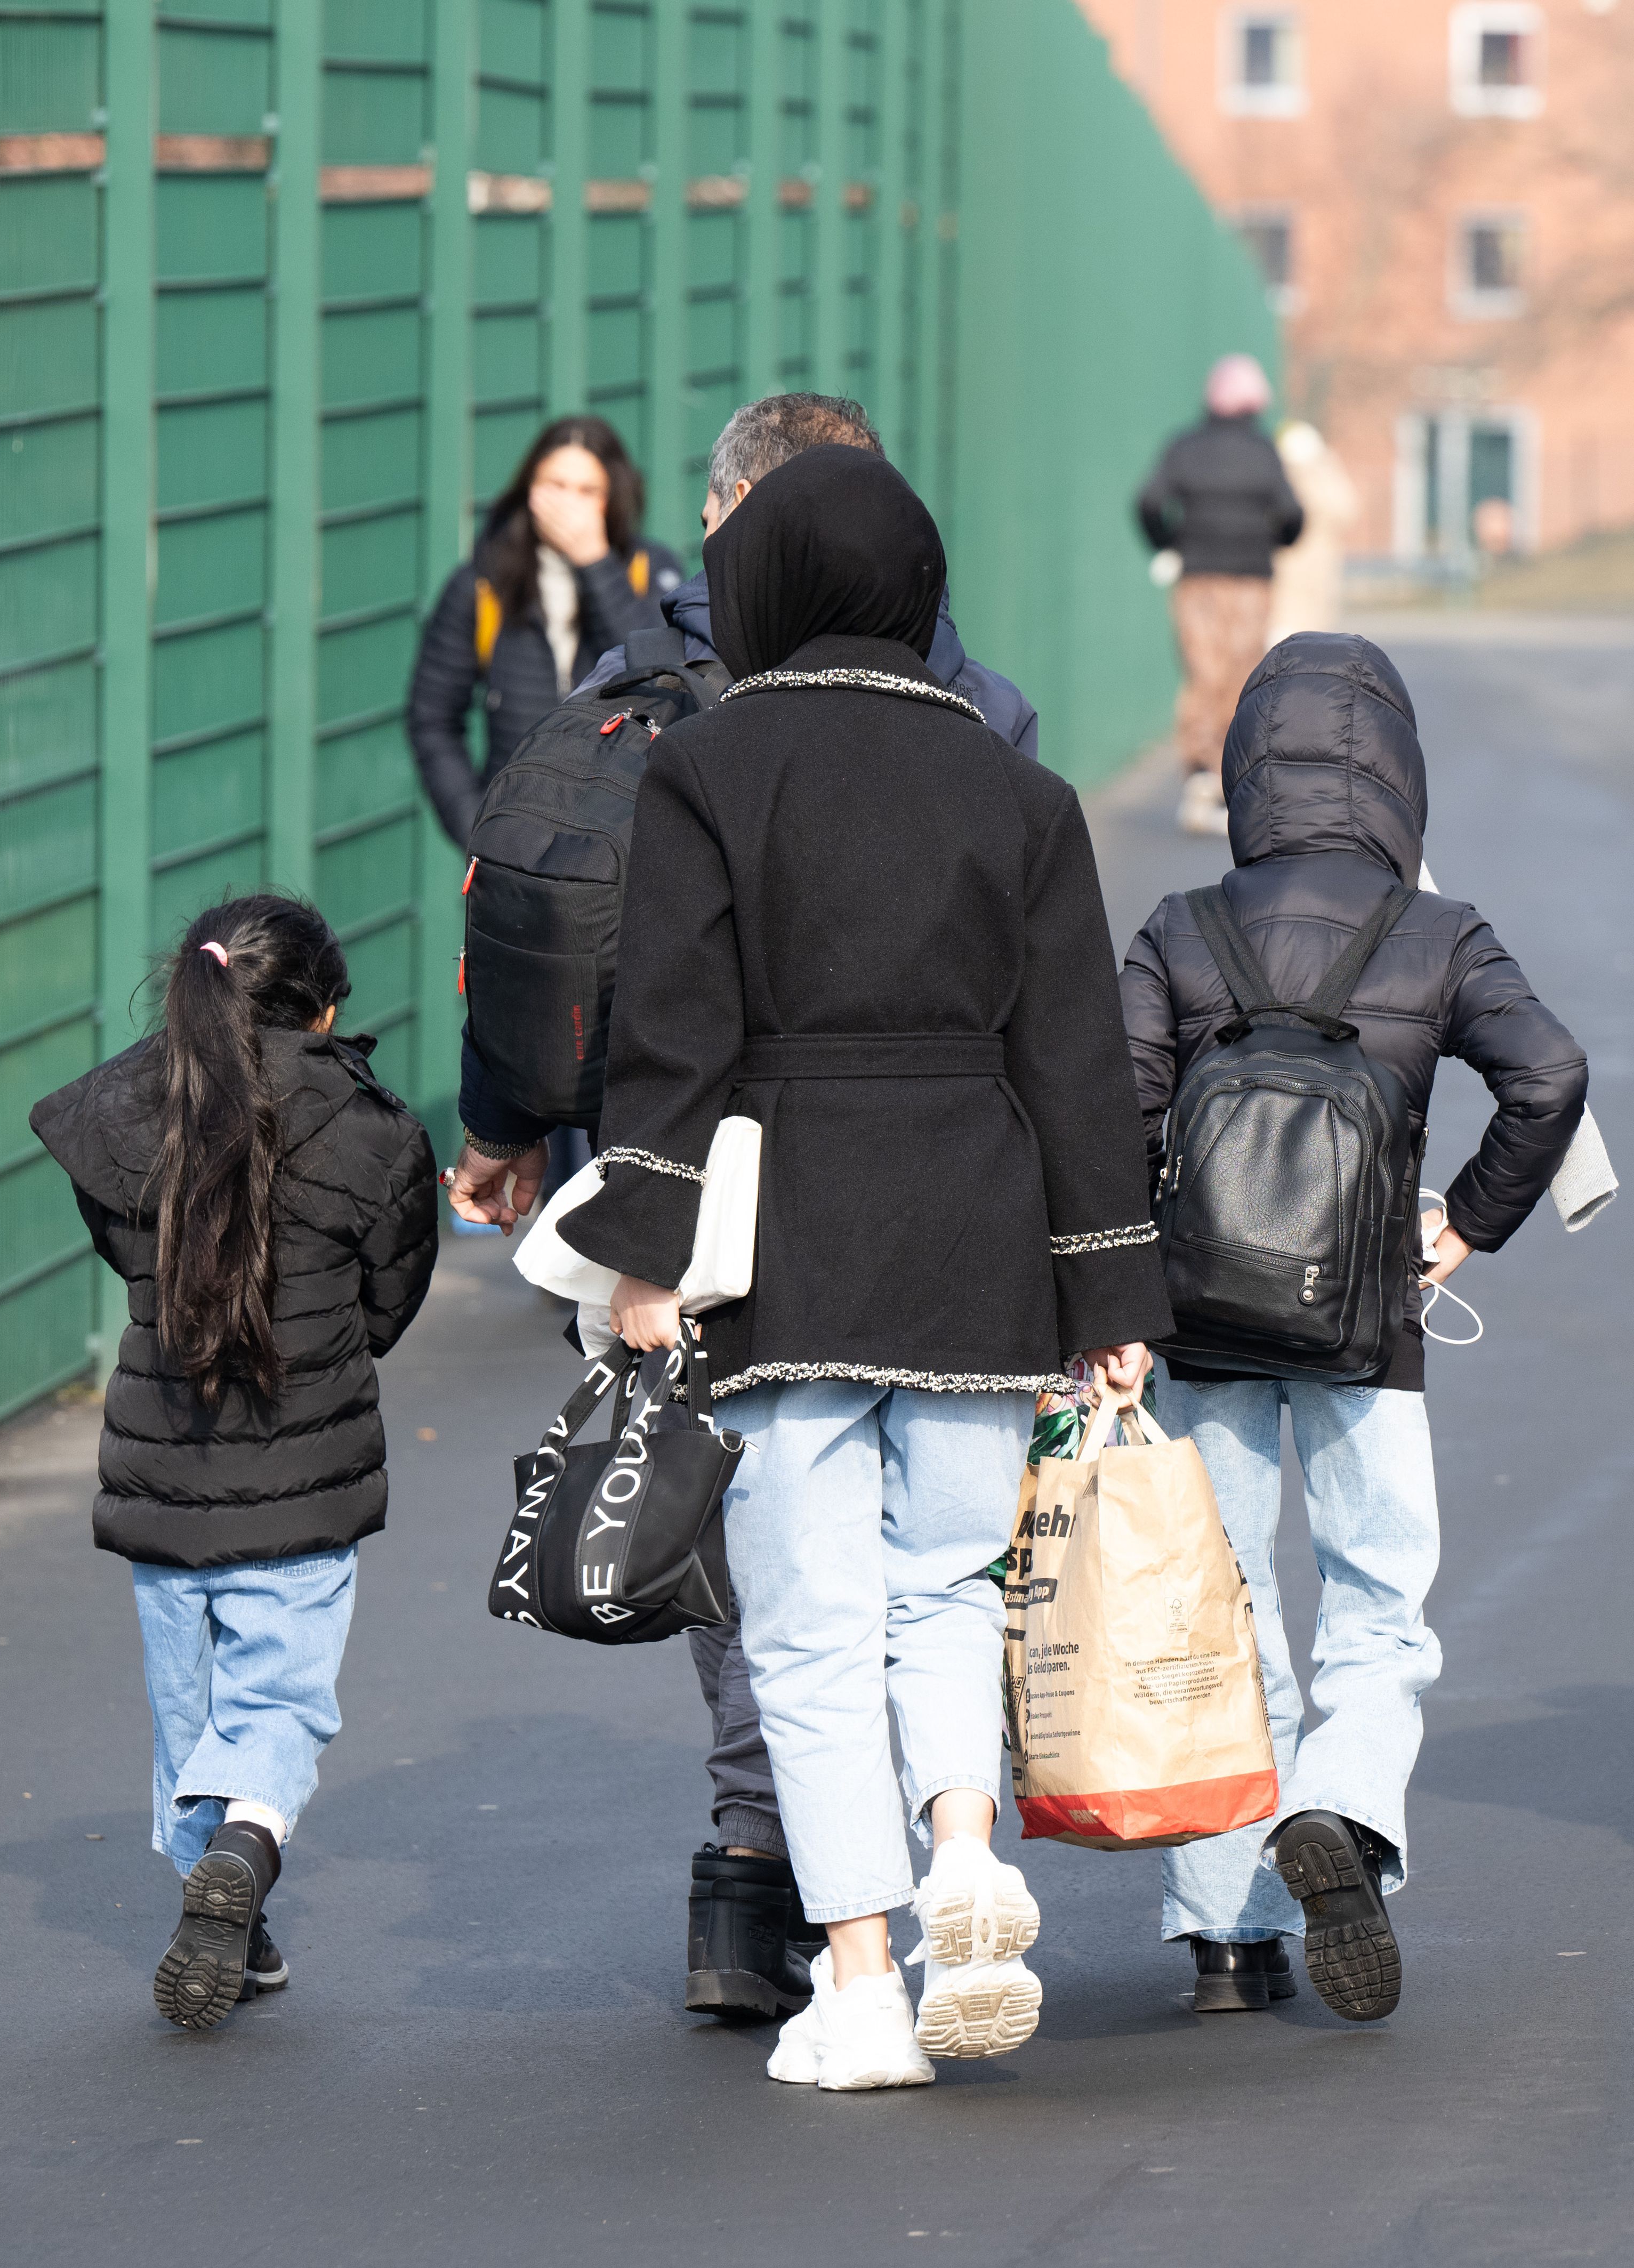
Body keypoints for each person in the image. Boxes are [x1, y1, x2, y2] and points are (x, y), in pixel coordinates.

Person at [561, 445, 1172, 2092]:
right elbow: (1072, 1061)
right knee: (948, 1585)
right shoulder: (1017, 794)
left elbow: (671, 1028)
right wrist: (1108, 1294)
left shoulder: (710, 769)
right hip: (977, 1234)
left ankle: (859, 1975)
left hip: (788, 1247)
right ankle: (968, 1846)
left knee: (814, 1623)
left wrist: (645, 1248)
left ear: (761, 589)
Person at [438, 389, 1052, 2027]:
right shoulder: (970, 708)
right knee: (930, 1571)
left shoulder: (641, 697)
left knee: (762, 1551)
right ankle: (936, 1851)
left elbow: (550, 925)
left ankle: (749, 1873)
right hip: (946, 1185)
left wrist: (516, 1138)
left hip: (680, 1166)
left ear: (723, 518)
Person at [1120, 632, 1587, 2021]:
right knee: (1379, 1602)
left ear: (1245, 765)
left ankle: (1225, 1931)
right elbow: (1549, 1074)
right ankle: (1339, 1803)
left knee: (1227, 1604)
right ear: (1396, 771)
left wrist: (1139, 1269)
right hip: (1367, 1318)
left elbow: (1108, 1106)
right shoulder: (1438, 933)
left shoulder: (1178, 924)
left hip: (1200, 1318)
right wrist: (1464, 1226)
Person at [28, 895, 439, 2029]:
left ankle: (231, 1922)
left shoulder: (139, 1111)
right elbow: (390, 1299)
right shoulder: (373, 1128)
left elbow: (121, 1237)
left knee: (188, 1713)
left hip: (163, 1477)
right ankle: (248, 1857)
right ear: (326, 1009)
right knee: (279, 1702)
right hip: (302, 1478)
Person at [651, 391, 1040, 756]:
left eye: (709, 522)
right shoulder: (997, 709)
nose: (710, 550)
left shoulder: (645, 686)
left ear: (743, 504)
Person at [406, 414, 687, 845]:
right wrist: (475, 826)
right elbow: (432, 717)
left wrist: (594, 561)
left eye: (587, 491)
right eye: (554, 485)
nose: (568, 504)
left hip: (622, 841)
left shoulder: (651, 571)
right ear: (529, 491)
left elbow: (663, 673)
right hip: (516, 843)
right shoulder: (482, 584)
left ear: (614, 497)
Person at [1139, 356, 1305, 836]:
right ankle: (1230, 778)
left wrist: (1169, 542)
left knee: (1201, 669)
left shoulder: (1184, 448)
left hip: (1197, 577)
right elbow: (1292, 515)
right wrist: (1274, 541)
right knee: (1241, 672)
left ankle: (1199, 774)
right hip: (1252, 578)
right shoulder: (1263, 453)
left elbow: (1150, 502)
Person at [1267, 419, 1359, 645]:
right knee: (1284, 637)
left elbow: (1346, 510)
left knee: (1314, 639)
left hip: (1317, 574)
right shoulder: (1279, 481)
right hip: (1286, 578)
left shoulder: (1325, 479)